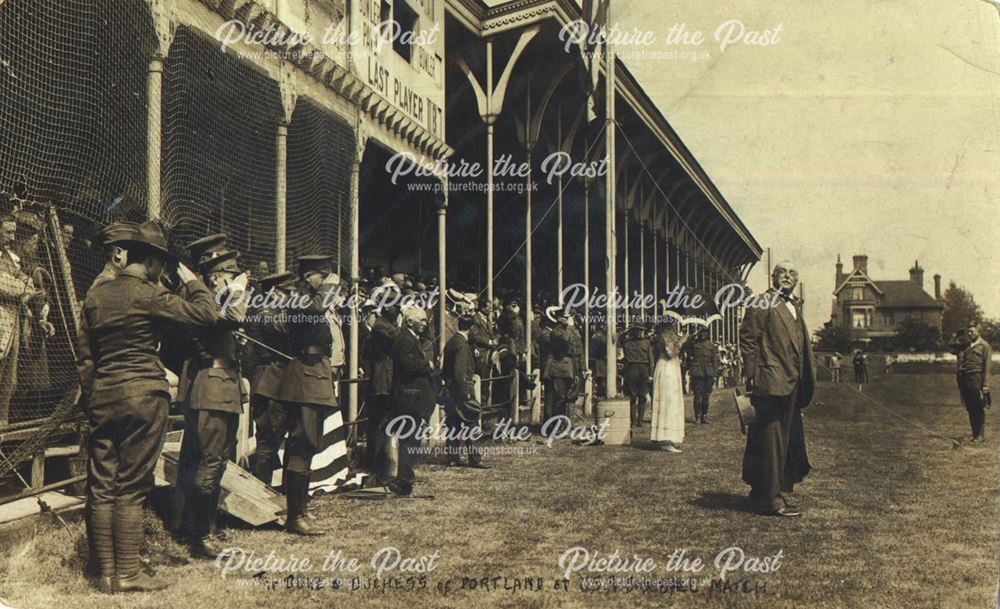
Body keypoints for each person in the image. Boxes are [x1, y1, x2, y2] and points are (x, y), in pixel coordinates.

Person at [78, 221, 222, 592]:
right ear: (156, 263)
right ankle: (128, 572)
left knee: (103, 485)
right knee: (132, 485)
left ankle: (106, 574)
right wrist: (190, 280)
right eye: (163, 265)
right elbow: (206, 315)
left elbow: (86, 360)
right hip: (144, 396)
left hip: (103, 397)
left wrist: (95, 398)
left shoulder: (95, 297)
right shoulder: (151, 295)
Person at [171, 244, 246, 559]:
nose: (235, 278)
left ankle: (196, 527)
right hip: (213, 388)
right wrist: (238, 290)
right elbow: (236, 314)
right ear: (216, 276)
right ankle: (201, 537)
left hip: (218, 387)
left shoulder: (212, 303)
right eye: (230, 273)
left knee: (209, 462)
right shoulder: (212, 302)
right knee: (210, 463)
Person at [739, 260, 814, 517]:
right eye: (782, 272)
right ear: (773, 277)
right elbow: (748, 339)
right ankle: (772, 498)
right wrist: (753, 377)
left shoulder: (795, 305)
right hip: (770, 381)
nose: (787, 277)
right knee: (771, 439)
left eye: (792, 273)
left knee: (782, 438)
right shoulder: (762, 301)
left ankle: (763, 492)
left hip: (793, 382)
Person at [272, 254, 340, 535]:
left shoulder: (309, 298)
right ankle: (295, 516)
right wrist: (331, 287)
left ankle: (299, 511)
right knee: (303, 443)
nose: (327, 282)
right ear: (309, 276)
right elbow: (314, 310)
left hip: (314, 375)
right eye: (322, 276)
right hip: (305, 377)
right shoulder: (297, 298)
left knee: (308, 445)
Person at [378, 306, 437, 496]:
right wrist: (427, 365)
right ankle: (404, 478)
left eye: (425, 320)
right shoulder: (404, 339)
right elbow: (408, 365)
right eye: (421, 320)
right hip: (408, 398)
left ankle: (406, 476)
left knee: (412, 439)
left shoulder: (411, 338)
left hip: (414, 398)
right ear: (410, 321)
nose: (424, 323)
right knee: (409, 439)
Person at [247, 271, 297, 485]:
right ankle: (262, 494)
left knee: (280, 439)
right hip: (270, 380)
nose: (291, 297)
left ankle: (280, 493)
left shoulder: (274, 310)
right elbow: (284, 329)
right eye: (287, 292)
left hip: (279, 379)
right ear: (274, 292)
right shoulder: (264, 312)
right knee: (268, 442)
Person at [442, 315, 483, 467]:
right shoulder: (461, 345)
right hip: (462, 391)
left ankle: (453, 458)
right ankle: (475, 458)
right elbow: (460, 371)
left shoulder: (452, 342)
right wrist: (466, 391)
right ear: (471, 328)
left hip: (451, 390)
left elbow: (447, 369)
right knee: (471, 423)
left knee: (453, 424)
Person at [650, 320, 687, 452]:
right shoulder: (665, 336)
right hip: (667, 368)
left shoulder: (667, 335)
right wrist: (681, 341)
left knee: (672, 402)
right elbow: (670, 353)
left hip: (671, 367)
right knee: (669, 401)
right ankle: (665, 438)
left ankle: (671, 437)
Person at [957, 323, 992, 442]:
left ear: (979, 332)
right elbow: (951, 345)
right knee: (970, 407)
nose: (970, 334)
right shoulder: (966, 346)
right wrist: (958, 334)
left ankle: (980, 435)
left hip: (976, 378)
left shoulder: (985, 346)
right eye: (969, 332)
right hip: (965, 378)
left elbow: (987, 367)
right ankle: (974, 433)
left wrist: (986, 385)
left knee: (978, 406)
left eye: (972, 331)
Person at [621, 325, 653, 428]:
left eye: (641, 331)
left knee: (642, 396)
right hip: (631, 369)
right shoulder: (627, 342)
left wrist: (651, 375)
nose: (639, 333)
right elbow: (619, 339)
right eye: (637, 331)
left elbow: (651, 359)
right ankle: (633, 420)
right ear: (633, 331)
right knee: (632, 396)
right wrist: (627, 331)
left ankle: (640, 420)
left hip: (644, 370)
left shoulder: (646, 343)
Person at [686, 328, 720, 424]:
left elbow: (715, 360)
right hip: (697, 372)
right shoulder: (694, 344)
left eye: (705, 332)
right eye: (701, 332)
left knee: (706, 395)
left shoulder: (711, 345)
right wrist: (694, 333)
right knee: (697, 395)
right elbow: (686, 343)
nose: (703, 334)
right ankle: (697, 416)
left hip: (708, 373)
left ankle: (704, 416)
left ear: (708, 334)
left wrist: (714, 374)